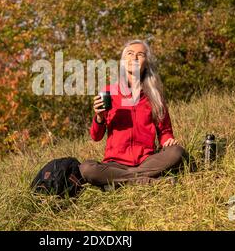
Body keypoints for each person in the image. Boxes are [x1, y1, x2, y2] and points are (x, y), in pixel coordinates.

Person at [79, 39, 187, 189]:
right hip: (114, 164)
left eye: (140, 54)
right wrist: (99, 117)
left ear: (146, 63)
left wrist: (168, 141)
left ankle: (120, 182)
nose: (134, 58)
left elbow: (165, 132)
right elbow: (96, 136)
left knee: (177, 152)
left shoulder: (154, 97)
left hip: (146, 161)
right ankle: (146, 180)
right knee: (87, 168)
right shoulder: (110, 92)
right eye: (130, 53)